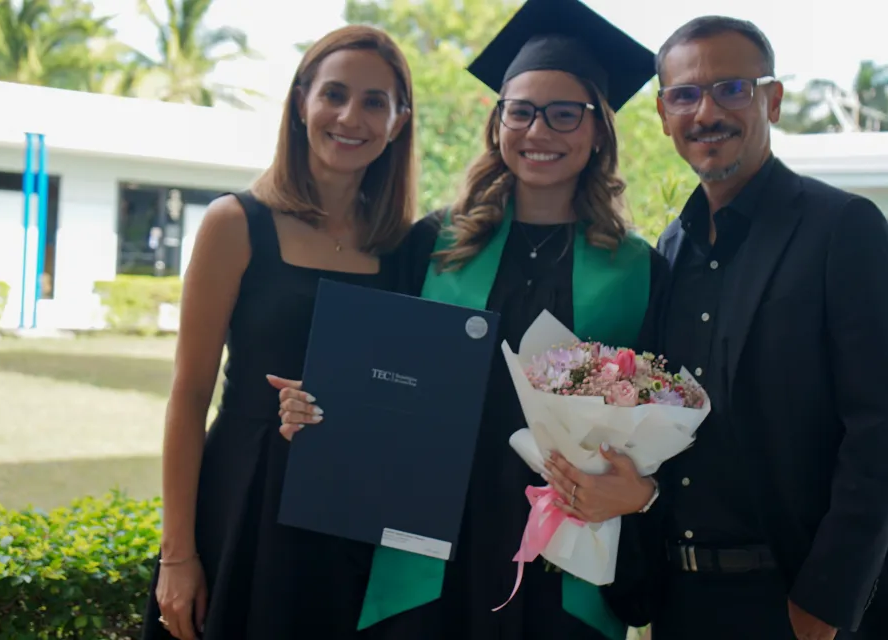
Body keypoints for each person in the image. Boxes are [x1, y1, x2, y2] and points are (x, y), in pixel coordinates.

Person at [274, 0, 669, 637]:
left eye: (565, 113)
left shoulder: (638, 269)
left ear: (599, 129)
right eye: (521, 111)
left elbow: (657, 419)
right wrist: (318, 403)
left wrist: (640, 493)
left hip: (563, 552)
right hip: (430, 547)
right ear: (497, 122)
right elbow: (372, 376)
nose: (539, 131)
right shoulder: (430, 244)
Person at [595, 15, 888, 640]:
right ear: (663, 113)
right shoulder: (668, 256)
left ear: (771, 100)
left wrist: (825, 603)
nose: (707, 112)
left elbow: (883, 431)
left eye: (731, 88)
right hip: (688, 603)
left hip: (800, 604)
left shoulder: (842, 229)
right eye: (685, 95)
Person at [139, 25, 415, 640]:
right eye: (334, 94)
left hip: (352, 509)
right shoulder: (235, 223)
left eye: (376, 101)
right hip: (244, 494)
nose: (351, 116)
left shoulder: (404, 246)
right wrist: (177, 555)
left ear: (399, 121)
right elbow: (187, 399)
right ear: (301, 102)